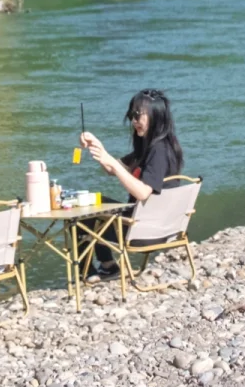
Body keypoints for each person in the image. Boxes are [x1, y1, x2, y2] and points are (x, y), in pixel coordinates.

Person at [79, 88, 184, 276]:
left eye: (138, 115)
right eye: (131, 115)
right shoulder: (152, 146)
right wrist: (98, 146)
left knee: (82, 213)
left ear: (156, 115)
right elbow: (112, 169)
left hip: (143, 232)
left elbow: (143, 192)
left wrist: (113, 163)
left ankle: (86, 272)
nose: (134, 120)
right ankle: (108, 265)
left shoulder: (158, 151)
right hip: (160, 226)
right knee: (94, 200)